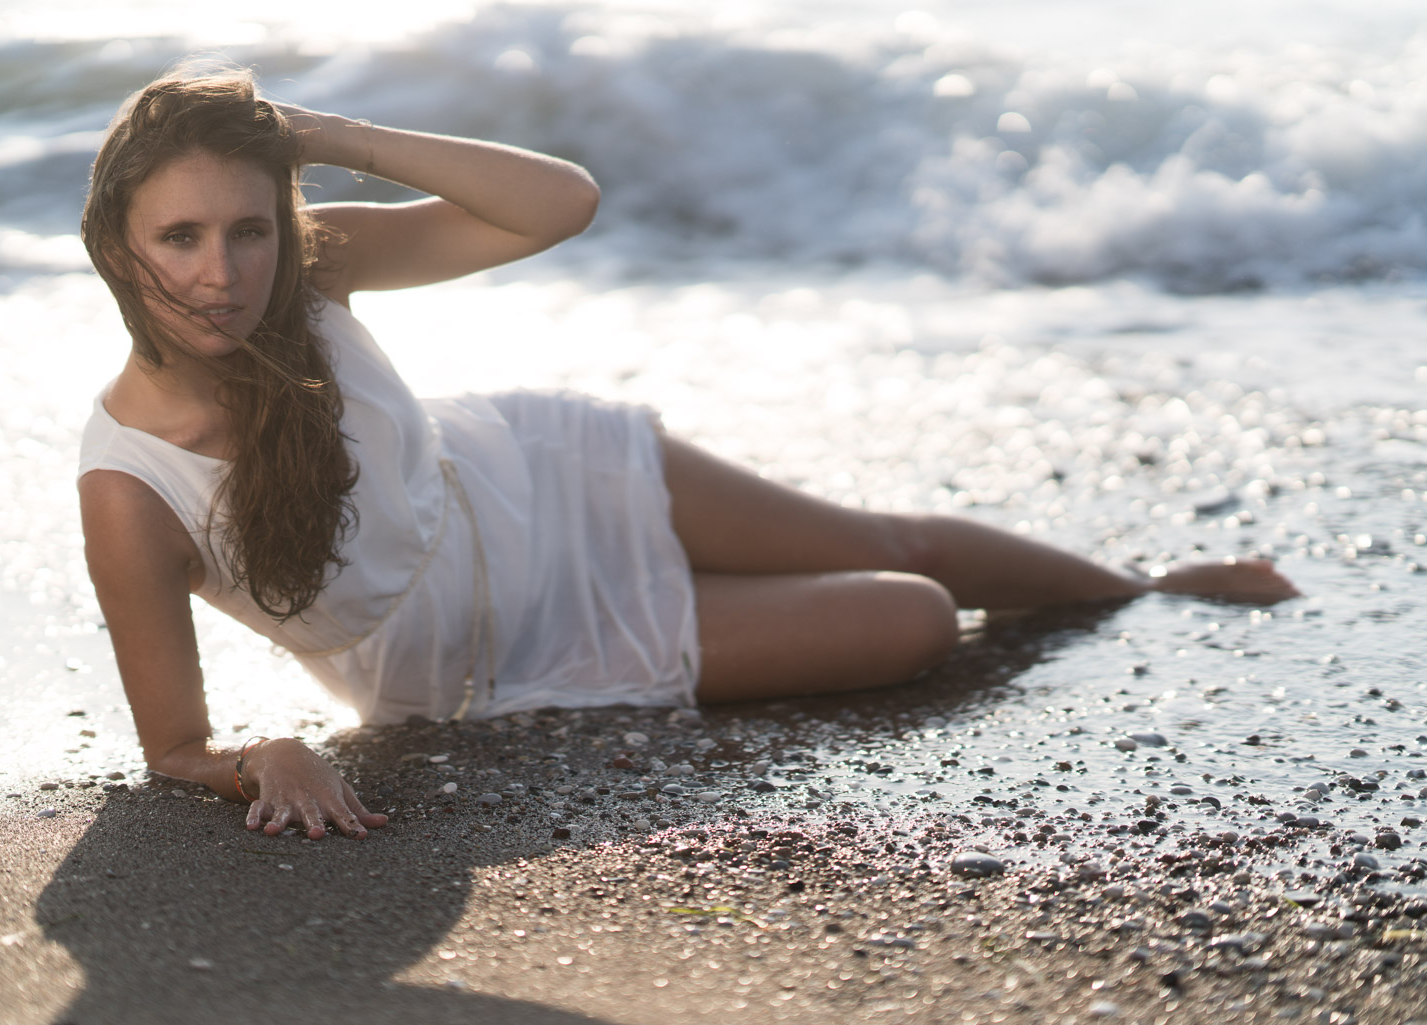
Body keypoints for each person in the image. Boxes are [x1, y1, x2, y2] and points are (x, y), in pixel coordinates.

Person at [76, 66, 1296, 844]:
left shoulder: (313, 262)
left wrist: (315, 132)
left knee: (894, 539)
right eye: (180, 237)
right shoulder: (131, 488)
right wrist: (268, 754)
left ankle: (1139, 585)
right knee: (915, 615)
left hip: (536, 479)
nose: (223, 272)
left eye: (248, 228)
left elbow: (559, 202)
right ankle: (1108, 589)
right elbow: (173, 747)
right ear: (120, 250)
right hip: (499, 653)